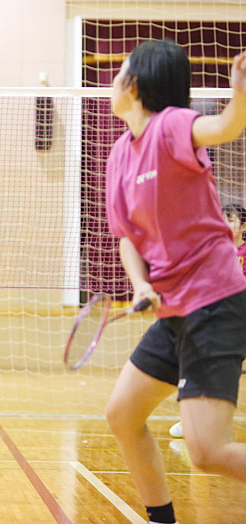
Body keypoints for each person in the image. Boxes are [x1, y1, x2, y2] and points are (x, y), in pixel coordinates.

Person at [104, 40, 246, 524]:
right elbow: (127, 237)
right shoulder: (120, 153)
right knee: (122, 415)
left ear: (137, 84)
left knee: (208, 452)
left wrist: (241, 94)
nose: (113, 80)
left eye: (119, 71)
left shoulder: (171, 126)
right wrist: (140, 286)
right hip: (170, 308)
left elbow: (226, 125)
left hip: (214, 302)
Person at [170, 202, 246, 439]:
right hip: (220, 322)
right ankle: (192, 421)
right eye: (222, 218)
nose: (225, 223)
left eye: (231, 219)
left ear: (243, 225)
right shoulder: (213, 252)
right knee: (204, 366)